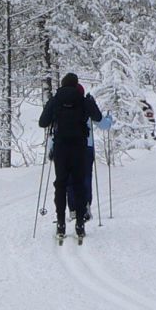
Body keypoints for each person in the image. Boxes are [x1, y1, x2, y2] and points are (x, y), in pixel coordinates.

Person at [39, 73, 102, 241]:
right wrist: (90, 103)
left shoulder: (55, 100)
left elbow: (42, 122)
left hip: (61, 148)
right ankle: (80, 223)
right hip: (79, 148)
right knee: (78, 184)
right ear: (76, 85)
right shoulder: (82, 100)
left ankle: (60, 222)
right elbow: (98, 117)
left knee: (61, 184)